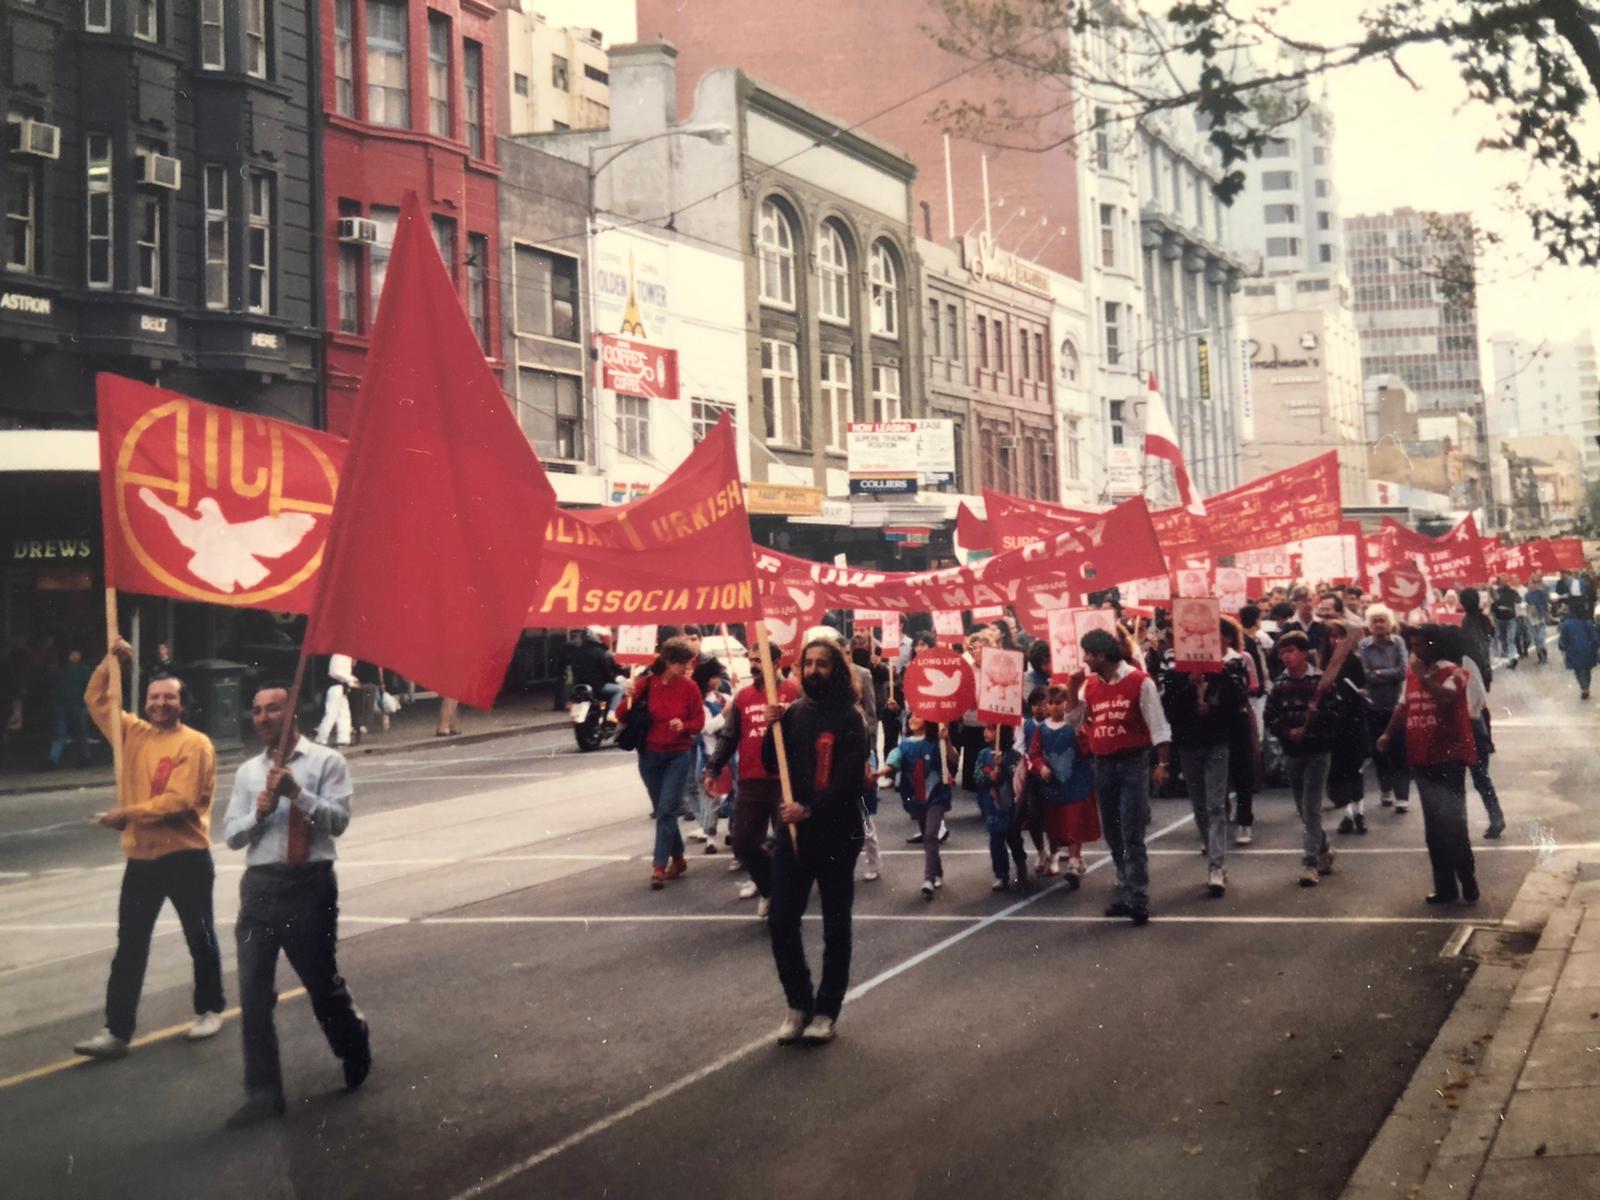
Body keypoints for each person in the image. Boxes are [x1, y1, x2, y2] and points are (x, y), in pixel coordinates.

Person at [219, 682, 371, 1127]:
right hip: (260, 889)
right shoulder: (249, 773)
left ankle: (352, 1040)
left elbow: (339, 823)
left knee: (320, 983)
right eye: (258, 711)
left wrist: (297, 795)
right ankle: (263, 1091)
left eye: (273, 710)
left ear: (294, 714)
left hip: (310, 886)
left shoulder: (328, 762)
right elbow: (231, 835)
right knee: (253, 991)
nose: (265, 718)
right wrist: (259, 814)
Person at [73, 639, 225, 1059]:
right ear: (145, 702)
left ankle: (210, 1008)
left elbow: (178, 801)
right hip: (141, 859)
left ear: (183, 703)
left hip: (186, 857)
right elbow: (94, 698)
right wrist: (110, 661)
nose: (160, 703)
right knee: (131, 944)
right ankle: (116, 1030)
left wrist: (128, 814)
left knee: (200, 936)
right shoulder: (131, 734)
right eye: (154, 697)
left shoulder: (194, 745)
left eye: (169, 697)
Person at [762, 637, 870, 1044]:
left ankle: (827, 1009)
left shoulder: (850, 718)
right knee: (781, 921)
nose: (813, 671)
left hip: (836, 834)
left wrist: (811, 809)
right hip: (792, 835)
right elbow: (774, 764)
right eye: (808, 664)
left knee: (835, 926)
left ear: (836, 669)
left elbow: (847, 780)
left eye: (822, 664)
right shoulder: (793, 714)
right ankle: (798, 1003)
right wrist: (770, 727)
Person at [1077, 628, 1171, 925]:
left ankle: (1139, 898)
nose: (1085, 659)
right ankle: (1126, 887)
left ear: (1102, 655)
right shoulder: (1089, 686)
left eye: (1089, 654)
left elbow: (1158, 726)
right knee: (1113, 831)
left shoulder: (1140, 682)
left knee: (1132, 831)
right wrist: (1070, 690)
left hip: (1133, 762)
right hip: (1102, 763)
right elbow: (1073, 721)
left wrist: (1162, 764)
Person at [1380, 626, 1479, 905]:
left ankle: (1468, 880)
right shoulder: (1412, 675)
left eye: (1421, 645)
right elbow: (1403, 706)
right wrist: (1387, 733)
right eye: (1413, 645)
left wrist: (1423, 676)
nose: (1416, 651)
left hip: (1450, 757)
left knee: (1454, 824)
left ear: (1436, 646)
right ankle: (1445, 887)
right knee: (1433, 829)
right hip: (1422, 757)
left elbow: (1445, 698)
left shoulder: (1455, 672)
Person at [703, 644, 799, 916]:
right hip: (751, 781)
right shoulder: (743, 696)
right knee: (743, 842)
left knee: (786, 842)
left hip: (784, 780)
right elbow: (729, 736)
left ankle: (786, 896)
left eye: (760, 660)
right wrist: (712, 769)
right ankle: (769, 888)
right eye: (752, 660)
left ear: (777, 663)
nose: (754, 665)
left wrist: (787, 714)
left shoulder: (794, 691)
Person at [1158, 628, 1243, 897]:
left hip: (1216, 743)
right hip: (1188, 745)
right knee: (1199, 806)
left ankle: (1216, 865)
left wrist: (1213, 707)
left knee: (1216, 804)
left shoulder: (1222, 672)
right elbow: (1168, 711)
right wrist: (1188, 689)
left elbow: (1235, 707)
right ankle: (1212, 850)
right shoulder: (1174, 677)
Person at [618, 637, 705, 890]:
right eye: (683, 664)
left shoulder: (690, 687)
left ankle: (658, 867)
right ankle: (678, 859)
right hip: (650, 755)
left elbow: (698, 722)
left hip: (678, 755)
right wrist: (629, 696)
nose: (687, 669)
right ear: (669, 661)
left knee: (667, 811)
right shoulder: (646, 683)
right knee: (663, 810)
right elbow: (621, 715)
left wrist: (685, 726)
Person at [1263, 631, 1336, 888]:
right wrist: (1287, 731)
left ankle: (1310, 862)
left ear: (1304, 653)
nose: (1286, 656)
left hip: (1317, 750)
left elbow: (1336, 712)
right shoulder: (1280, 684)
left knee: (1311, 806)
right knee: (1302, 808)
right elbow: (1270, 716)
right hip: (1292, 751)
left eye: (1291, 651)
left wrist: (1319, 715)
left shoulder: (1320, 680)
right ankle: (1324, 847)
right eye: (1282, 652)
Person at [1026, 680, 1098, 884]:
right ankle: (1063, 854)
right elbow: (1035, 753)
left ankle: (1074, 861)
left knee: (1075, 822)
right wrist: (1041, 767)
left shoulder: (1074, 726)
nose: (1056, 706)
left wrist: (1083, 736)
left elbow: (1088, 750)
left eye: (1061, 702)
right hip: (1054, 786)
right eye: (1052, 703)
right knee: (1058, 825)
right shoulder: (1042, 730)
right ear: (1046, 706)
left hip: (1075, 783)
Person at [880, 714, 954, 900]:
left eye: (918, 716)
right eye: (911, 716)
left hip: (936, 795)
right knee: (928, 836)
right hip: (917, 796)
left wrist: (947, 740)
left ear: (928, 721)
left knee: (930, 834)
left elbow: (953, 759)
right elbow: (894, 759)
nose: (912, 719)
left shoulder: (936, 741)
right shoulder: (905, 745)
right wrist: (884, 770)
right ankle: (937, 871)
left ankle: (928, 879)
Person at [1358, 605, 1412, 815]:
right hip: (1373, 705)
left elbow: (1402, 671)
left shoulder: (1398, 642)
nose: (1379, 624)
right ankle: (1385, 789)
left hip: (1396, 704)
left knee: (1399, 750)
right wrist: (1382, 675)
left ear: (1390, 623)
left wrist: (1379, 673)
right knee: (1378, 750)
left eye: (1382, 620)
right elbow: (1365, 673)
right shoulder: (1363, 645)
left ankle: (1402, 796)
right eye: (1375, 621)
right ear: (1369, 625)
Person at [1317, 619, 1369, 837]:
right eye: (1331, 636)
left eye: (1340, 636)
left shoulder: (1354, 661)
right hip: (1333, 723)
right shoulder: (1323, 664)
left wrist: (1362, 692)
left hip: (1353, 721)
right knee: (1337, 771)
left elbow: (1364, 685)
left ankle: (1359, 813)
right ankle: (1347, 814)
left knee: (1354, 769)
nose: (1335, 641)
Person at [976, 724, 1029, 891]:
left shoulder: (1014, 756)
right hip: (992, 806)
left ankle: (1020, 861)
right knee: (996, 840)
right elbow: (977, 776)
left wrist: (1003, 765)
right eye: (985, 728)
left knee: (1013, 838)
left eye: (991, 729)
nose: (986, 732)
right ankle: (1001, 874)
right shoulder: (983, 755)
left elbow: (1020, 778)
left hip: (1011, 806)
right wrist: (989, 776)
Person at [1458, 654, 1505, 838]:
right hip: (1475, 723)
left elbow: (1477, 697)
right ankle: (1495, 817)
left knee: (1469, 778)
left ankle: (1493, 818)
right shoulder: (1468, 661)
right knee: (1480, 777)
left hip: (1469, 724)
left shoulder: (1463, 663)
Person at [688, 659, 730, 851]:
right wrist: (725, 715)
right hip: (709, 755)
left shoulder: (723, 697)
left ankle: (732, 831)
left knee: (732, 795)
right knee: (711, 797)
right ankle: (711, 837)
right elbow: (705, 728)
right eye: (714, 676)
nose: (718, 680)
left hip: (730, 757)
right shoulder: (699, 703)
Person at [46, 646, 94, 768]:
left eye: (77, 654)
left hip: (72, 705)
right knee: (76, 733)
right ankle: (82, 757)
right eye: (73, 654)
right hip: (71, 705)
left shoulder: (70, 670)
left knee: (71, 733)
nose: (75, 656)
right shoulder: (78, 670)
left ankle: (55, 759)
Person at [570, 626, 626, 717]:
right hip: (597, 685)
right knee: (619, 689)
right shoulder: (599, 652)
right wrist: (613, 680)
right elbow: (606, 671)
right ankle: (611, 714)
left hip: (579, 685)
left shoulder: (577, 652)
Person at [1558, 598, 1598, 700]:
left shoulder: (1566, 624)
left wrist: (1562, 646)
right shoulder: (1588, 622)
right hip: (1589, 650)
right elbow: (1594, 637)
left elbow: (1563, 638)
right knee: (1587, 670)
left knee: (1579, 671)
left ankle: (1584, 688)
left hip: (1574, 651)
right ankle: (1586, 687)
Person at [315, 653, 358, 748]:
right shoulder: (339, 656)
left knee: (344, 714)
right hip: (335, 687)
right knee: (331, 714)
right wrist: (350, 679)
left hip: (341, 687)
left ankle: (343, 739)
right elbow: (334, 672)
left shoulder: (345, 656)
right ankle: (321, 739)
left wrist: (350, 681)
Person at [1457, 588, 1495, 689]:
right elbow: (1491, 633)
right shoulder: (1483, 618)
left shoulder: (1466, 621)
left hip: (1471, 660)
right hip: (1483, 659)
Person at [1490, 578, 1521, 664]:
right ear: (1499, 583)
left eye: (1505, 580)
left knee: (1510, 637)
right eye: (1502, 581)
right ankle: (1506, 652)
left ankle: (1511, 655)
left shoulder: (1512, 591)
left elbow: (1519, 600)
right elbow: (1492, 605)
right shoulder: (1495, 593)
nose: (1504, 582)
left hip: (1510, 617)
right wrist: (1497, 609)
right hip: (1500, 618)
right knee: (1502, 637)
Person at [1522, 577, 1550, 665]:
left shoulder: (1541, 593)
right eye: (1529, 584)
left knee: (1541, 637)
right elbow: (1524, 604)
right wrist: (1527, 606)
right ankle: (1540, 657)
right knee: (1536, 639)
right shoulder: (1527, 595)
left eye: (1532, 584)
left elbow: (1545, 605)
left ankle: (1544, 656)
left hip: (1540, 618)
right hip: (1531, 619)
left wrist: (1542, 611)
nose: (1530, 586)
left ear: (1535, 584)